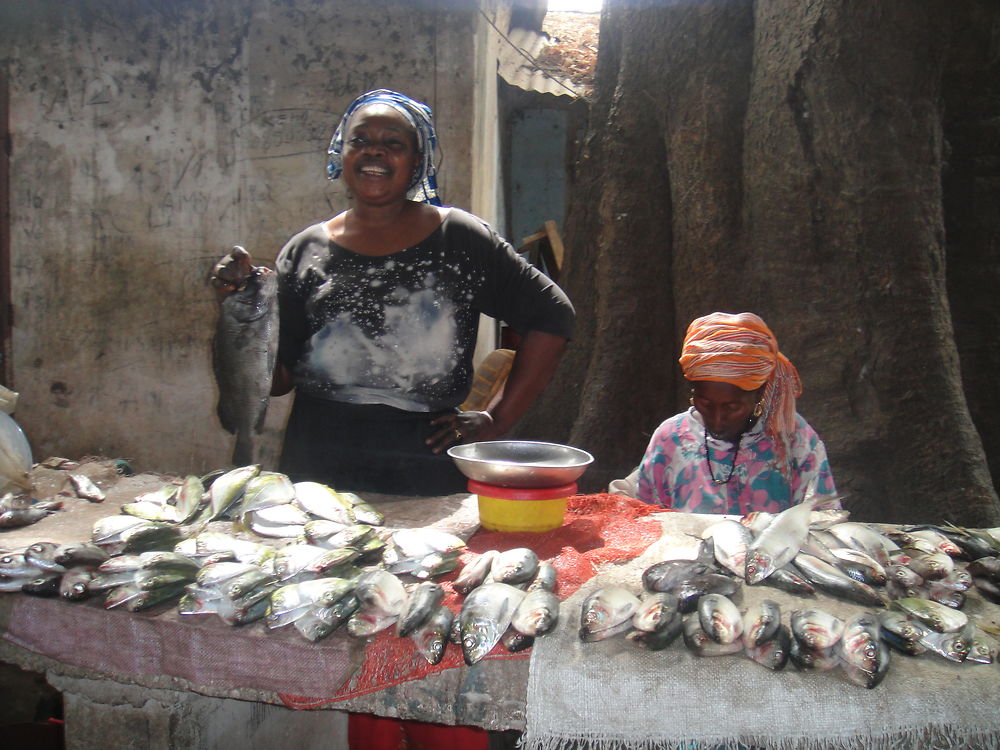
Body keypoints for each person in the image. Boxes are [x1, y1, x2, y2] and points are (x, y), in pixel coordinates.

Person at [213, 89, 574, 497]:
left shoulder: (458, 238)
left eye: (393, 144)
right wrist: (239, 306)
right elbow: (277, 380)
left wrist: (498, 419)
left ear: (417, 161)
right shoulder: (305, 250)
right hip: (317, 459)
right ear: (342, 152)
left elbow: (552, 316)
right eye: (361, 140)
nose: (375, 153)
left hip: (424, 458)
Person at [628, 311, 837, 514]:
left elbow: (822, 520)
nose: (717, 422)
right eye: (705, 404)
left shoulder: (791, 436)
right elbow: (646, 520)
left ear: (759, 394)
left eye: (733, 407)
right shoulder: (670, 439)